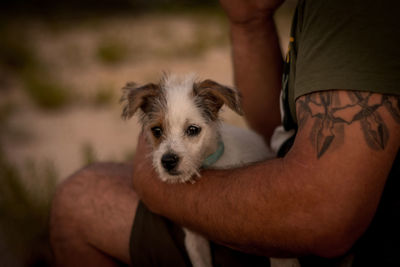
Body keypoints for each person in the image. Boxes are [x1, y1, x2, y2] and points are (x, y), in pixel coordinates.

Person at [49, 0, 400, 266]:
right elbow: (276, 129)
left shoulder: (354, 11)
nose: (170, 148)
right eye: (158, 132)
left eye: (192, 131)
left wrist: (150, 180)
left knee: (78, 199)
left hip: (338, 245)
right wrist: (248, 20)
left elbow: (324, 213)